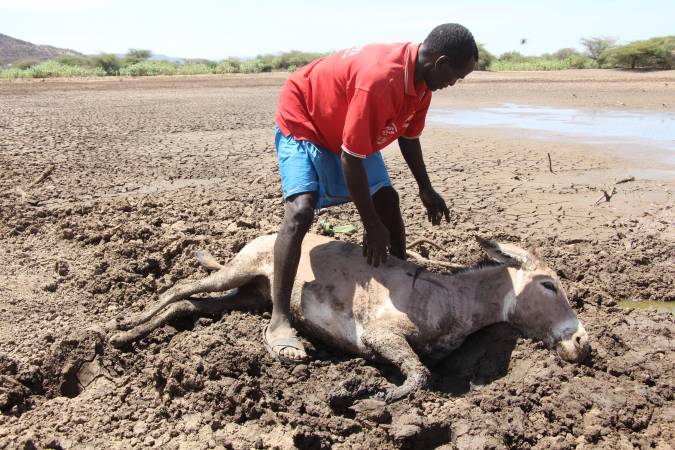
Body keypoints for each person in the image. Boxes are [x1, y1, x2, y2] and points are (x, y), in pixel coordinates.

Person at [265, 23, 478, 363]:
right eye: (457, 76)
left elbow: (408, 135)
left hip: (346, 121)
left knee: (388, 201)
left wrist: (425, 188)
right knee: (301, 211)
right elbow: (352, 158)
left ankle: (401, 280)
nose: (455, 83)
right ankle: (278, 320)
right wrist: (370, 224)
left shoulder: (423, 85)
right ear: (440, 63)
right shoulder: (381, 80)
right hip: (306, 114)